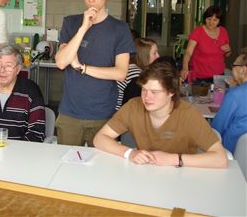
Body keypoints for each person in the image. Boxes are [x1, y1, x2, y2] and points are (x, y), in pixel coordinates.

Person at [94, 59, 228, 168]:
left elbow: (220, 158)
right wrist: (130, 153)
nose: (147, 97)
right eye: (144, 90)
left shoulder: (188, 114)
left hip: (181, 178)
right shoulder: (133, 106)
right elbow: (100, 138)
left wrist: (174, 159)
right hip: (145, 176)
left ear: (171, 92)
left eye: (155, 92)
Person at [55, 0, 134, 146]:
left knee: (100, 169)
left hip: (103, 113)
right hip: (70, 113)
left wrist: (82, 68)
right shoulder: (71, 22)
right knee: (67, 168)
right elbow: (61, 62)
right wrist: (83, 28)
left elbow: (121, 72)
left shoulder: (119, 28)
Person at [180, 6, 231, 84]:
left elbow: (227, 54)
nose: (211, 22)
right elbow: (188, 52)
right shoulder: (198, 31)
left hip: (219, 76)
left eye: (215, 20)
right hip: (200, 77)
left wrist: (229, 50)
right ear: (205, 19)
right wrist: (185, 68)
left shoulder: (223, 32)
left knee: (218, 96)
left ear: (219, 21)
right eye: (209, 19)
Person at [212, 51, 247, 154]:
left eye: (234, 65)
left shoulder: (235, 95)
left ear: (243, 69)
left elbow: (217, 127)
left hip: (232, 151)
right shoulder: (236, 93)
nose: (232, 69)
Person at [116, 37, 160, 110]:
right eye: (154, 53)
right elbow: (133, 105)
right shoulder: (136, 75)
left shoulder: (130, 68)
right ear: (144, 56)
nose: (158, 56)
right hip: (117, 114)